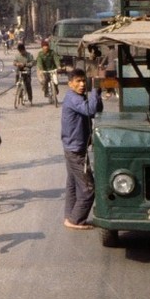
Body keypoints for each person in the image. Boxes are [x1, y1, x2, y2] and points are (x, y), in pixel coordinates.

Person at [62, 68, 103, 230]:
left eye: (83, 81)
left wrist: (96, 92)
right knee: (88, 189)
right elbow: (90, 110)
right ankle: (75, 219)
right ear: (70, 84)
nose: (81, 84)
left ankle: (70, 216)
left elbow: (96, 111)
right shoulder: (72, 98)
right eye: (78, 81)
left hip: (73, 147)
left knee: (72, 183)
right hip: (75, 149)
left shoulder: (78, 97)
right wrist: (94, 89)